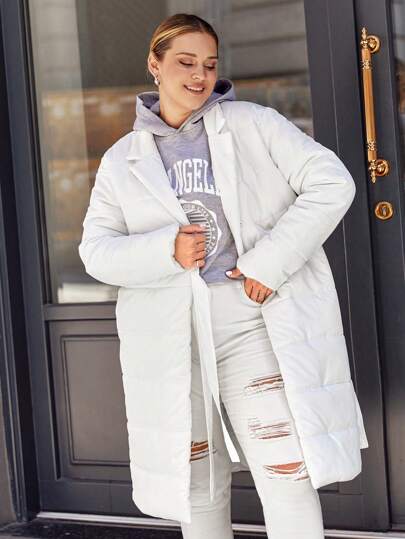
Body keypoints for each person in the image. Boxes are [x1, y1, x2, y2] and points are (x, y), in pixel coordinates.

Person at [79, 12, 368, 539]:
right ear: (155, 65)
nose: (199, 76)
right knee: (197, 487)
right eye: (185, 62)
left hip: (248, 323)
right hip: (172, 336)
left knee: (286, 472)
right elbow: (96, 253)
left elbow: (332, 182)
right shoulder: (122, 160)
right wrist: (165, 250)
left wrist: (268, 263)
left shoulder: (252, 124)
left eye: (209, 65)